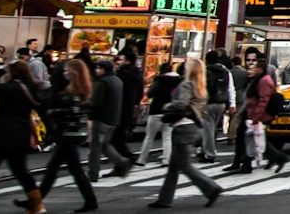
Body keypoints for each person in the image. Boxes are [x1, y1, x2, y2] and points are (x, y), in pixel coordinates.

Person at [151, 57, 223, 208]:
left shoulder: (187, 84)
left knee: (184, 166)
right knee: (174, 167)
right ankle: (164, 199)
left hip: (182, 127)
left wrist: (166, 106)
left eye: (186, 66)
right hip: (194, 127)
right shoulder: (201, 86)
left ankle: (211, 188)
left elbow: (181, 103)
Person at [0, 62, 45, 214]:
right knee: (20, 170)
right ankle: (37, 204)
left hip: (3, 136)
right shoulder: (31, 87)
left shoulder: (11, 88)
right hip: (21, 135)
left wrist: (0, 70)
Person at [33, 57, 99, 212]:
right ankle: (36, 199)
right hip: (73, 133)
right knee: (55, 169)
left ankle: (90, 201)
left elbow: (72, 112)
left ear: (74, 72)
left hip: (68, 134)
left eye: (66, 70)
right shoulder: (82, 89)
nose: (64, 73)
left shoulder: (73, 91)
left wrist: (53, 112)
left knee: (68, 170)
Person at [88, 59, 134, 181]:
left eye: (98, 68)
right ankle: (122, 162)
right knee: (104, 145)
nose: (96, 70)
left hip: (101, 118)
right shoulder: (118, 80)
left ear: (104, 69)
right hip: (114, 118)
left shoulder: (103, 82)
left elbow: (96, 102)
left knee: (95, 147)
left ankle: (93, 173)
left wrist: (90, 113)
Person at [242, 58, 288, 172]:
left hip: (259, 114)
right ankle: (273, 158)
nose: (252, 69)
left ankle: (278, 157)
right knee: (257, 139)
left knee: (257, 139)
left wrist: (257, 116)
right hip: (254, 112)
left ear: (261, 69)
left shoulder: (264, 81)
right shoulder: (259, 79)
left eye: (255, 68)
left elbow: (264, 100)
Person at [139, 63, 184, 166]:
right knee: (167, 136)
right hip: (170, 111)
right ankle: (166, 160)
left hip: (157, 110)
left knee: (150, 136)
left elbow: (151, 93)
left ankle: (142, 159)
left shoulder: (160, 80)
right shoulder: (179, 81)